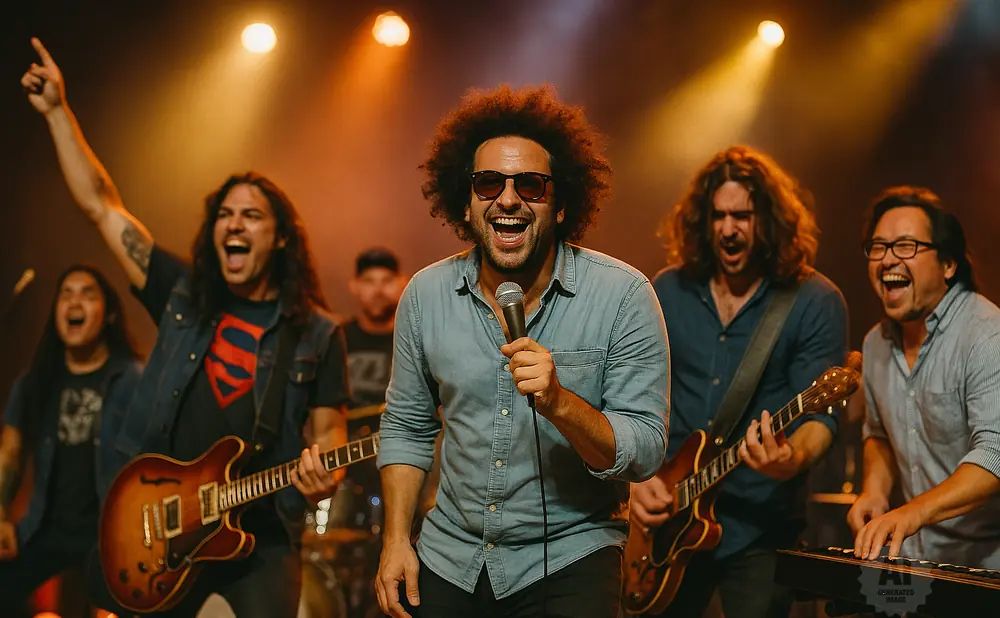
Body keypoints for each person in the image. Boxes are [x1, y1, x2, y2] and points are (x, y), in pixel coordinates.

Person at [22, 38, 350, 617]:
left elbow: (330, 433)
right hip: (156, 522)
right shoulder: (185, 296)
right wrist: (56, 112)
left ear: (278, 238)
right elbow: (103, 206)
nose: (233, 224)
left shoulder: (317, 332)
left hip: (260, 527)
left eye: (251, 215)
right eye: (224, 214)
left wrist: (322, 472)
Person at [374, 85, 670, 618]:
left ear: (559, 205)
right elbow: (407, 426)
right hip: (450, 554)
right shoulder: (425, 294)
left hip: (570, 559)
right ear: (466, 203)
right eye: (488, 183)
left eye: (530, 185)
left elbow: (645, 448)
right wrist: (396, 539)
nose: (507, 199)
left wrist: (561, 402)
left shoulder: (623, 295)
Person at [634, 145, 849, 618]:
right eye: (718, 216)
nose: (728, 230)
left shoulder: (814, 300)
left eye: (743, 216)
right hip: (666, 520)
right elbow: (631, 396)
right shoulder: (668, 290)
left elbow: (822, 417)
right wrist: (637, 481)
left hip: (759, 527)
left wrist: (792, 457)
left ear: (769, 221)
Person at [849, 187, 1000, 568]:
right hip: (914, 562)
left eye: (905, 246)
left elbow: (994, 455)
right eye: (878, 247)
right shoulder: (875, 344)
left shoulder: (986, 335)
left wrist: (913, 511)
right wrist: (874, 491)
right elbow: (878, 434)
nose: (887, 260)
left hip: (986, 566)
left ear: (948, 264)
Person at [0, 264, 143, 618]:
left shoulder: (135, 381)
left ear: (109, 314)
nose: (74, 302)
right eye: (66, 294)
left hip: (110, 537)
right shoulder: (35, 382)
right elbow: (10, 455)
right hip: (45, 530)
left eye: (87, 293)